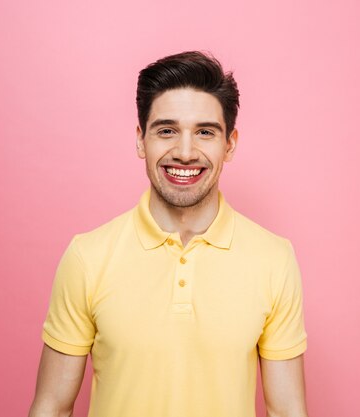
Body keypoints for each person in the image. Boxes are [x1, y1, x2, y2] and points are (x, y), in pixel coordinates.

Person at [28, 51, 309, 417]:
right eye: (167, 131)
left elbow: (288, 410)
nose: (186, 152)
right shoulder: (88, 256)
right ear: (141, 140)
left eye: (205, 132)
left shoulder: (274, 258)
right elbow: (52, 406)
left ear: (230, 144)